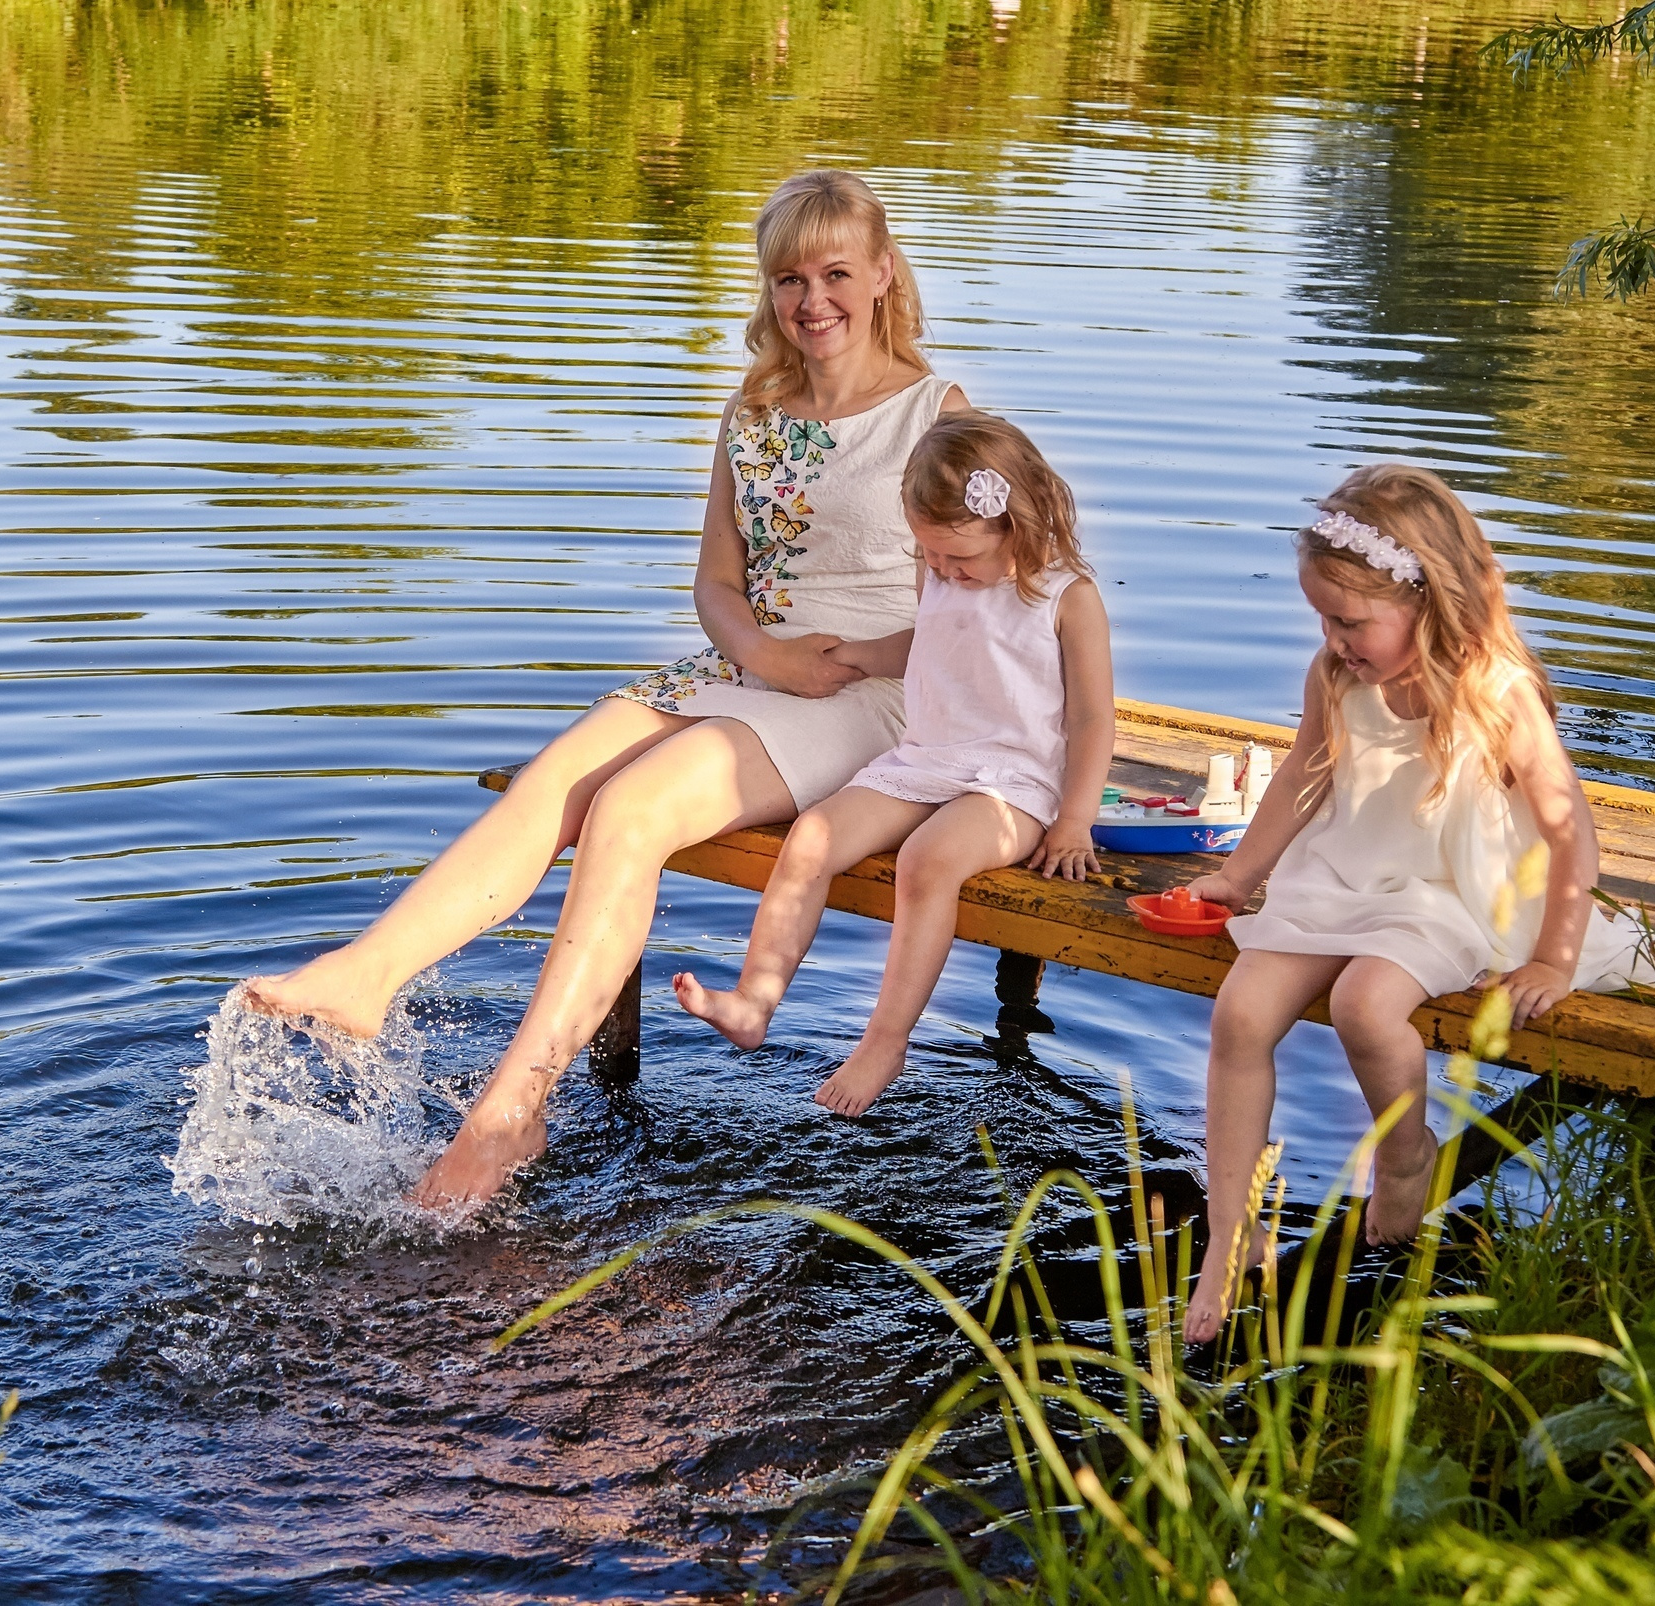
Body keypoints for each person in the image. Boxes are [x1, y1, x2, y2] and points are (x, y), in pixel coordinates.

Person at [241, 170, 967, 1207]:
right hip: (750, 668)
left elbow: (969, 605)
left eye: (836, 273)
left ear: (884, 273)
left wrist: (839, 661)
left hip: (873, 687)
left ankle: (510, 1110)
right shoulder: (754, 409)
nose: (812, 301)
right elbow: (717, 585)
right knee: (558, 777)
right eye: (787, 279)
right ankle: (366, 976)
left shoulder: (933, 414)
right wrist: (762, 657)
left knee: (630, 810)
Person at [1177, 465, 1655, 1346]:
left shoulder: (1495, 691)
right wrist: (1239, 877)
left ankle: (1405, 1159)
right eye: (1323, 617)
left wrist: (1553, 954)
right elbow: (1300, 778)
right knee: (1240, 1013)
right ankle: (1228, 1233)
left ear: (1428, 600)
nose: (1334, 637)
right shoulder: (1334, 674)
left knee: (1368, 1004)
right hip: (1345, 871)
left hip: (1448, 892)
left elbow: (1570, 835)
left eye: (1351, 620)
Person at [673, 413, 1113, 1113]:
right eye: (930, 555)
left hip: (1014, 783)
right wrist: (856, 655)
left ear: (1016, 524)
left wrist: (1076, 820)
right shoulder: (937, 570)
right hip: (927, 758)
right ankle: (755, 998)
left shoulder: (1068, 598)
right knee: (813, 833)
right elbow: (931, 644)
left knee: (928, 860)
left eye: (957, 559)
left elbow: (1093, 718)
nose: (942, 570)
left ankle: (885, 1039)